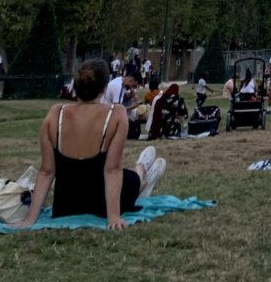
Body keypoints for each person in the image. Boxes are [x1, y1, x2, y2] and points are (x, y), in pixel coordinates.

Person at [14, 59, 166, 229]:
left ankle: (142, 170)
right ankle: (143, 170)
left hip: (66, 204)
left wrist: (30, 219)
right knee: (130, 177)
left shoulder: (55, 114)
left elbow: (46, 171)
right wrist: (113, 217)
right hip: (101, 205)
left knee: (124, 175)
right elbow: (112, 169)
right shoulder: (116, 114)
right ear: (104, 88)